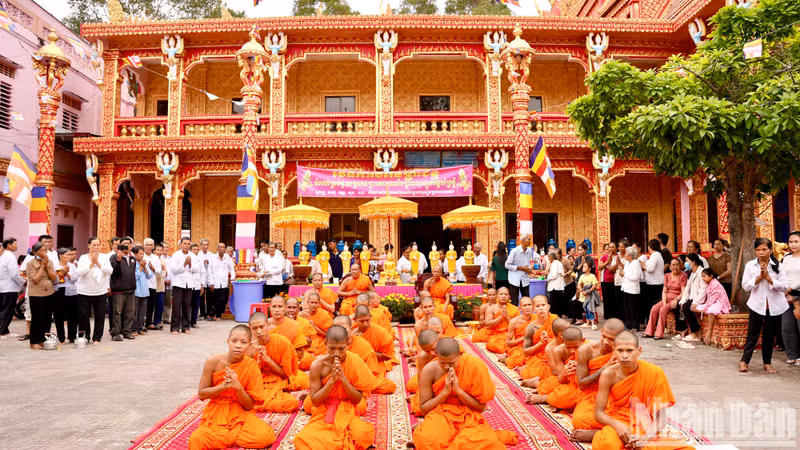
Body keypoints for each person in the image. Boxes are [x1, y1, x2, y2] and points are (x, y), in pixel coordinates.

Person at [591, 331, 693, 450]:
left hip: (644, 424)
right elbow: (598, 413)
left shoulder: (654, 373)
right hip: (619, 421)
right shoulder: (608, 374)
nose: (624, 355)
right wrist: (617, 425)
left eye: (629, 350)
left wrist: (645, 438)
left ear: (639, 351)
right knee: (607, 445)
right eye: (620, 350)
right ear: (614, 351)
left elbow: (661, 417)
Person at [411, 337, 518, 449]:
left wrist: (458, 391)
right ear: (436, 355)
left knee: (485, 444)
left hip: (468, 415)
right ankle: (435, 430)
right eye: (442, 362)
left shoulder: (474, 365)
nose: (447, 367)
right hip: (441, 413)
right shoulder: (429, 370)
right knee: (425, 440)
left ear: (460, 355)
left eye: (451, 363)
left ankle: (444, 435)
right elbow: (424, 409)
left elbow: (480, 408)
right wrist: (445, 392)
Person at [188, 325, 276, 450]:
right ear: (227, 341)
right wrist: (223, 386)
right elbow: (202, 394)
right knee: (197, 440)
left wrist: (238, 388)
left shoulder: (251, 366)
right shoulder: (213, 361)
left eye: (243, 342)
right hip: (217, 411)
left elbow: (249, 405)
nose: (238, 345)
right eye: (234, 341)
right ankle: (232, 435)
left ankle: (227, 436)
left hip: (240, 411)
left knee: (265, 437)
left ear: (249, 345)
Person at [294, 325, 376, 450]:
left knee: (364, 436)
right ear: (325, 343)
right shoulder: (317, 365)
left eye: (341, 349)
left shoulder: (355, 361)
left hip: (347, 410)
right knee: (301, 439)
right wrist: (331, 381)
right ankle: (343, 444)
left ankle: (334, 443)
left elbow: (357, 400)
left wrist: (343, 379)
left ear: (348, 344)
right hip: (323, 411)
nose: (336, 353)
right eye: (331, 348)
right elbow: (315, 401)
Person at [569, 318, 626, 443]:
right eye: (604, 336)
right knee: (579, 420)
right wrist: (604, 369)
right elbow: (582, 385)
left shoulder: (624, 353)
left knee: (638, 416)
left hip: (614, 396)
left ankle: (599, 432)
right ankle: (611, 430)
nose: (606, 342)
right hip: (592, 395)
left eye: (611, 339)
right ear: (601, 331)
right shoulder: (586, 350)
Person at [739, 238, 789, 374]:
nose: (761, 252)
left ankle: (767, 363)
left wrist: (769, 278)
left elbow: (784, 287)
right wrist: (759, 278)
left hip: (774, 306)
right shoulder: (750, 265)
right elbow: (745, 286)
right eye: (758, 250)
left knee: (769, 334)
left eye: (764, 249)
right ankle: (744, 361)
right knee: (752, 334)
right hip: (756, 304)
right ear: (755, 251)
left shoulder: (778, 266)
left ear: (771, 250)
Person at [247, 312, 300, 413]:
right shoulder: (249, 349)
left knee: (291, 403)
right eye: (255, 328)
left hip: (277, 383)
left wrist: (268, 360)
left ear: (268, 325)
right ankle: (263, 404)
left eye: (262, 327)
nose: (259, 331)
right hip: (259, 386)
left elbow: (285, 375)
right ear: (250, 328)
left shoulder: (282, 342)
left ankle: (258, 405)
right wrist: (259, 363)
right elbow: (250, 379)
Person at [525, 326, 584, 409]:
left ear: (583, 341)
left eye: (576, 347)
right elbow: (560, 379)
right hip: (568, 382)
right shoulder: (558, 350)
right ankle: (540, 387)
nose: (572, 351)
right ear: (563, 341)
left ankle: (545, 397)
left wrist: (579, 369)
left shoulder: (589, 349)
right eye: (568, 347)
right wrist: (565, 373)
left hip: (582, 384)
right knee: (553, 388)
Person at [73, 237, 112, 345]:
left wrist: (98, 264)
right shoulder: (83, 258)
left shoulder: (104, 257)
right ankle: (85, 337)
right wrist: (91, 264)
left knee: (100, 316)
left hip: (100, 291)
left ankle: (97, 338)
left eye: (98, 245)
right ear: (88, 246)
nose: (96, 247)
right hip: (84, 291)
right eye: (93, 245)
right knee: (84, 316)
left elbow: (110, 271)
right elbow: (79, 273)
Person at [517, 294, 559, 382]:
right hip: (539, 357)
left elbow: (566, 342)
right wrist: (540, 343)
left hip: (556, 354)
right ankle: (529, 373)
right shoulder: (530, 328)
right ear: (533, 309)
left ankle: (535, 378)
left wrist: (549, 341)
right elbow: (525, 352)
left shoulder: (556, 321)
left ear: (548, 307)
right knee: (534, 373)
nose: (541, 308)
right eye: (537, 306)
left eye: (543, 305)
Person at [644, 258, 687, 339]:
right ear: (670, 267)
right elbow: (664, 291)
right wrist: (664, 302)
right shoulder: (667, 276)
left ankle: (659, 333)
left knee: (662, 310)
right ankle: (649, 332)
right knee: (654, 308)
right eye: (673, 265)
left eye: (677, 265)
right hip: (667, 299)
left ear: (680, 266)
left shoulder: (683, 276)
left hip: (676, 299)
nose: (675, 267)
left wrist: (676, 300)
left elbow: (683, 292)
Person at [26, 243, 57, 350]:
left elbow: (53, 277)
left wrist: (47, 266)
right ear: (35, 252)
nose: (44, 253)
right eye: (42, 251)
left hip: (49, 292)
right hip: (36, 294)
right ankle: (34, 341)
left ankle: (43, 339)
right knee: (37, 318)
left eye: (45, 251)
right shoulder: (30, 263)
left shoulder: (50, 262)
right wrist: (42, 266)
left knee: (47, 317)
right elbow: (35, 279)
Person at [169, 237, 200, 335]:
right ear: (180, 244)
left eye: (188, 244)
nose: (186, 245)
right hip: (178, 284)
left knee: (187, 306)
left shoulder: (193, 256)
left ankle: (186, 326)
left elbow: (196, 269)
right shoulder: (176, 255)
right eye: (185, 243)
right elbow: (173, 270)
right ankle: (174, 328)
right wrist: (184, 264)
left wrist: (190, 265)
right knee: (176, 306)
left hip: (189, 284)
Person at [693, 268, 731, 345]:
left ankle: (709, 334)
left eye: (704, 276)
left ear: (711, 276)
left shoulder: (715, 283)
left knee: (711, 311)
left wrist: (706, 307)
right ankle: (697, 332)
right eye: (702, 276)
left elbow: (715, 298)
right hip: (713, 303)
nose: (703, 278)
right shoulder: (710, 284)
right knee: (695, 308)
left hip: (720, 303)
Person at [109, 237, 137, 341]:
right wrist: (118, 260)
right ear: (120, 245)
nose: (127, 246)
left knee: (130, 312)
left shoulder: (133, 258)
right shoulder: (114, 257)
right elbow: (113, 271)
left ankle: (127, 331)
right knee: (117, 312)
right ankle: (115, 332)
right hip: (119, 289)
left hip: (130, 289)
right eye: (124, 244)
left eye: (128, 244)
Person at [354, 305, 398, 370]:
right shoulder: (351, 335)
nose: (365, 324)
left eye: (367, 320)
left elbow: (388, 356)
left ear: (371, 317)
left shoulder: (381, 332)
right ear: (355, 319)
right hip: (356, 366)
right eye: (361, 321)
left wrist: (367, 354)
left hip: (376, 365)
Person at [407, 329, 439, 415]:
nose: (432, 353)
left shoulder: (449, 349)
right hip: (430, 385)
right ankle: (415, 398)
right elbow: (421, 381)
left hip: (447, 386)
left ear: (438, 340)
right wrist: (424, 395)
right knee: (421, 408)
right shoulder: (423, 357)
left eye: (433, 349)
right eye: (427, 351)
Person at [676, 253, 706, 345]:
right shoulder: (692, 273)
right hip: (691, 297)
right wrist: (682, 300)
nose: (685, 263)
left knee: (687, 307)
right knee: (679, 305)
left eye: (687, 261)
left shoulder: (702, 272)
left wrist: (696, 302)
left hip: (699, 298)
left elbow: (703, 290)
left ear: (693, 262)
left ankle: (696, 333)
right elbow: (687, 289)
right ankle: (682, 330)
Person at [0, 238, 25, 337]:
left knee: (4, 309)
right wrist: (23, 282)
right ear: (9, 245)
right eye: (15, 244)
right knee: (7, 310)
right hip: (9, 287)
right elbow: (14, 274)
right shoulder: (10, 257)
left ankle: (5, 330)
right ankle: (2, 330)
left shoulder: (3, 256)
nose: (17, 245)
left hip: (3, 286)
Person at [53, 247, 78, 343]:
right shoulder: (55, 265)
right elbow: (55, 280)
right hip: (59, 291)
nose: (69, 256)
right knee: (59, 315)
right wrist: (61, 273)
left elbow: (75, 278)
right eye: (67, 254)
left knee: (73, 315)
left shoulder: (72, 266)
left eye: (70, 254)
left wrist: (67, 274)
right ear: (60, 255)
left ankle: (72, 336)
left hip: (71, 291)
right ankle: (61, 337)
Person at [782, 231, 800, 365]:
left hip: (798, 293)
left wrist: (791, 288)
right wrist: (786, 291)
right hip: (786, 295)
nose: (793, 244)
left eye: (796, 241)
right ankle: (793, 355)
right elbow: (782, 275)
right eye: (791, 242)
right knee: (787, 326)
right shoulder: (786, 258)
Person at [484, 287, 519, 354]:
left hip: (510, 334)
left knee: (519, 341)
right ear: (497, 296)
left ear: (509, 297)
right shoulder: (491, 309)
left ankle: (510, 348)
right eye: (501, 294)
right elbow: (487, 324)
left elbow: (518, 326)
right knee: (491, 345)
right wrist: (501, 317)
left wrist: (507, 316)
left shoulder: (515, 309)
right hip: (496, 334)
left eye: (506, 294)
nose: (503, 296)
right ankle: (509, 349)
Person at [501, 296, 534, 367]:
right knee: (518, 360)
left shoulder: (537, 319)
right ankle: (505, 360)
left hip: (533, 346)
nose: (527, 307)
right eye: (524, 305)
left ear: (533, 307)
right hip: (519, 347)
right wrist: (523, 338)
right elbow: (508, 343)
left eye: (529, 305)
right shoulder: (514, 322)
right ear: (519, 308)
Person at [300, 293, 332, 360]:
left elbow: (329, 335)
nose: (313, 305)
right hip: (306, 341)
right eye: (312, 302)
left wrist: (315, 327)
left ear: (319, 304)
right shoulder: (301, 315)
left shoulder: (324, 315)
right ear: (308, 302)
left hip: (320, 342)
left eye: (316, 303)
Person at [208, 242, 235, 321]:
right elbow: (210, 271)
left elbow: (232, 268)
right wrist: (211, 282)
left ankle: (218, 313)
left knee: (223, 299)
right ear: (217, 248)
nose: (222, 249)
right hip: (215, 281)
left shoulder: (227, 257)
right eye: (220, 247)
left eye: (223, 247)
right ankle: (217, 315)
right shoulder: (212, 257)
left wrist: (232, 277)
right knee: (215, 299)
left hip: (224, 282)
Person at [641, 239, 665, 327]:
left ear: (650, 247)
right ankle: (650, 322)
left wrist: (643, 265)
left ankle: (652, 323)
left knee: (652, 304)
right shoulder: (656, 255)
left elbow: (650, 269)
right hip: (654, 282)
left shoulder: (655, 255)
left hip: (655, 283)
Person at [505, 234, 533, 305]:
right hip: (514, 279)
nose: (530, 241)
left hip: (525, 278)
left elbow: (527, 263)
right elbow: (507, 265)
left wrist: (529, 269)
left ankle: (526, 315)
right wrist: (520, 268)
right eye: (528, 239)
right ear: (523, 240)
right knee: (514, 300)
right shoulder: (514, 251)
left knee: (526, 299)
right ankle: (514, 315)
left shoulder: (529, 251)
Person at [618, 246, 642, 331]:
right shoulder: (627, 263)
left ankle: (635, 325)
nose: (625, 254)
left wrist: (624, 274)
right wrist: (622, 274)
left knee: (633, 308)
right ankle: (628, 324)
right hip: (626, 288)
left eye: (626, 253)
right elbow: (626, 275)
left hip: (632, 289)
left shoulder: (636, 263)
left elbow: (635, 277)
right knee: (627, 308)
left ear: (631, 255)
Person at [132, 246, 153, 336]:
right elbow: (135, 277)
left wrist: (145, 268)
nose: (142, 256)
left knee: (142, 311)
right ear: (135, 254)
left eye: (142, 254)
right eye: (140, 254)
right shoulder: (132, 264)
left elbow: (149, 276)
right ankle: (133, 329)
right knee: (135, 312)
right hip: (136, 291)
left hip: (144, 291)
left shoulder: (144, 263)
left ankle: (140, 328)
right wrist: (140, 268)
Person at [143, 238, 162, 330]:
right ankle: (140, 322)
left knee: (151, 304)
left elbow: (159, 271)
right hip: (142, 284)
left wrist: (153, 268)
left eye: (151, 245)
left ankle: (149, 322)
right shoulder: (141, 256)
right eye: (147, 245)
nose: (149, 247)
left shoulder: (155, 257)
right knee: (142, 304)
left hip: (152, 283)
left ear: (153, 246)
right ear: (144, 245)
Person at [597, 242, 619, 320]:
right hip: (606, 281)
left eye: (613, 247)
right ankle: (607, 315)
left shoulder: (618, 257)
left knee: (615, 299)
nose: (611, 249)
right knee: (607, 299)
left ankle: (615, 315)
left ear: (616, 248)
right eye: (609, 247)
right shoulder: (604, 257)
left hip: (616, 282)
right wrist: (607, 262)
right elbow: (599, 267)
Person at [577, 261, 600, 329]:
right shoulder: (581, 276)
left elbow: (594, 285)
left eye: (585, 266)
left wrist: (588, 291)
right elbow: (579, 284)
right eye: (583, 266)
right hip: (584, 294)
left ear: (589, 268)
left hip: (590, 295)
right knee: (586, 309)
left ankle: (592, 323)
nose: (583, 268)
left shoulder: (592, 276)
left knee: (590, 308)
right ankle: (587, 322)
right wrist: (581, 290)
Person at [151, 243, 166, 329]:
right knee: (151, 305)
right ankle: (149, 321)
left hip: (160, 285)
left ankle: (158, 321)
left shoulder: (163, 261)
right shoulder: (151, 259)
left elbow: (165, 272)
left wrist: (162, 271)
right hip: (152, 284)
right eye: (158, 250)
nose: (160, 252)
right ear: (154, 251)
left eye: (161, 250)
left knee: (160, 305)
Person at [546, 252, 565, 317]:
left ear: (551, 257)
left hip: (555, 286)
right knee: (559, 302)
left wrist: (547, 276)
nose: (548, 259)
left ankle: (554, 316)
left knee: (554, 303)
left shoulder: (554, 263)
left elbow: (553, 275)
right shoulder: (558, 263)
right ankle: (559, 315)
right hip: (559, 286)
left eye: (549, 258)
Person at [161, 241, 172, 325]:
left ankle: (166, 318)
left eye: (167, 247)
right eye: (164, 247)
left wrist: (170, 280)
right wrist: (163, 280)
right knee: (159, 301)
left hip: (169, 283)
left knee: (167, 302)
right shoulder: (158, 258)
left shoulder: (171, 259)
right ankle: (158, 318)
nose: (166, 249)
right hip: (160, 282)